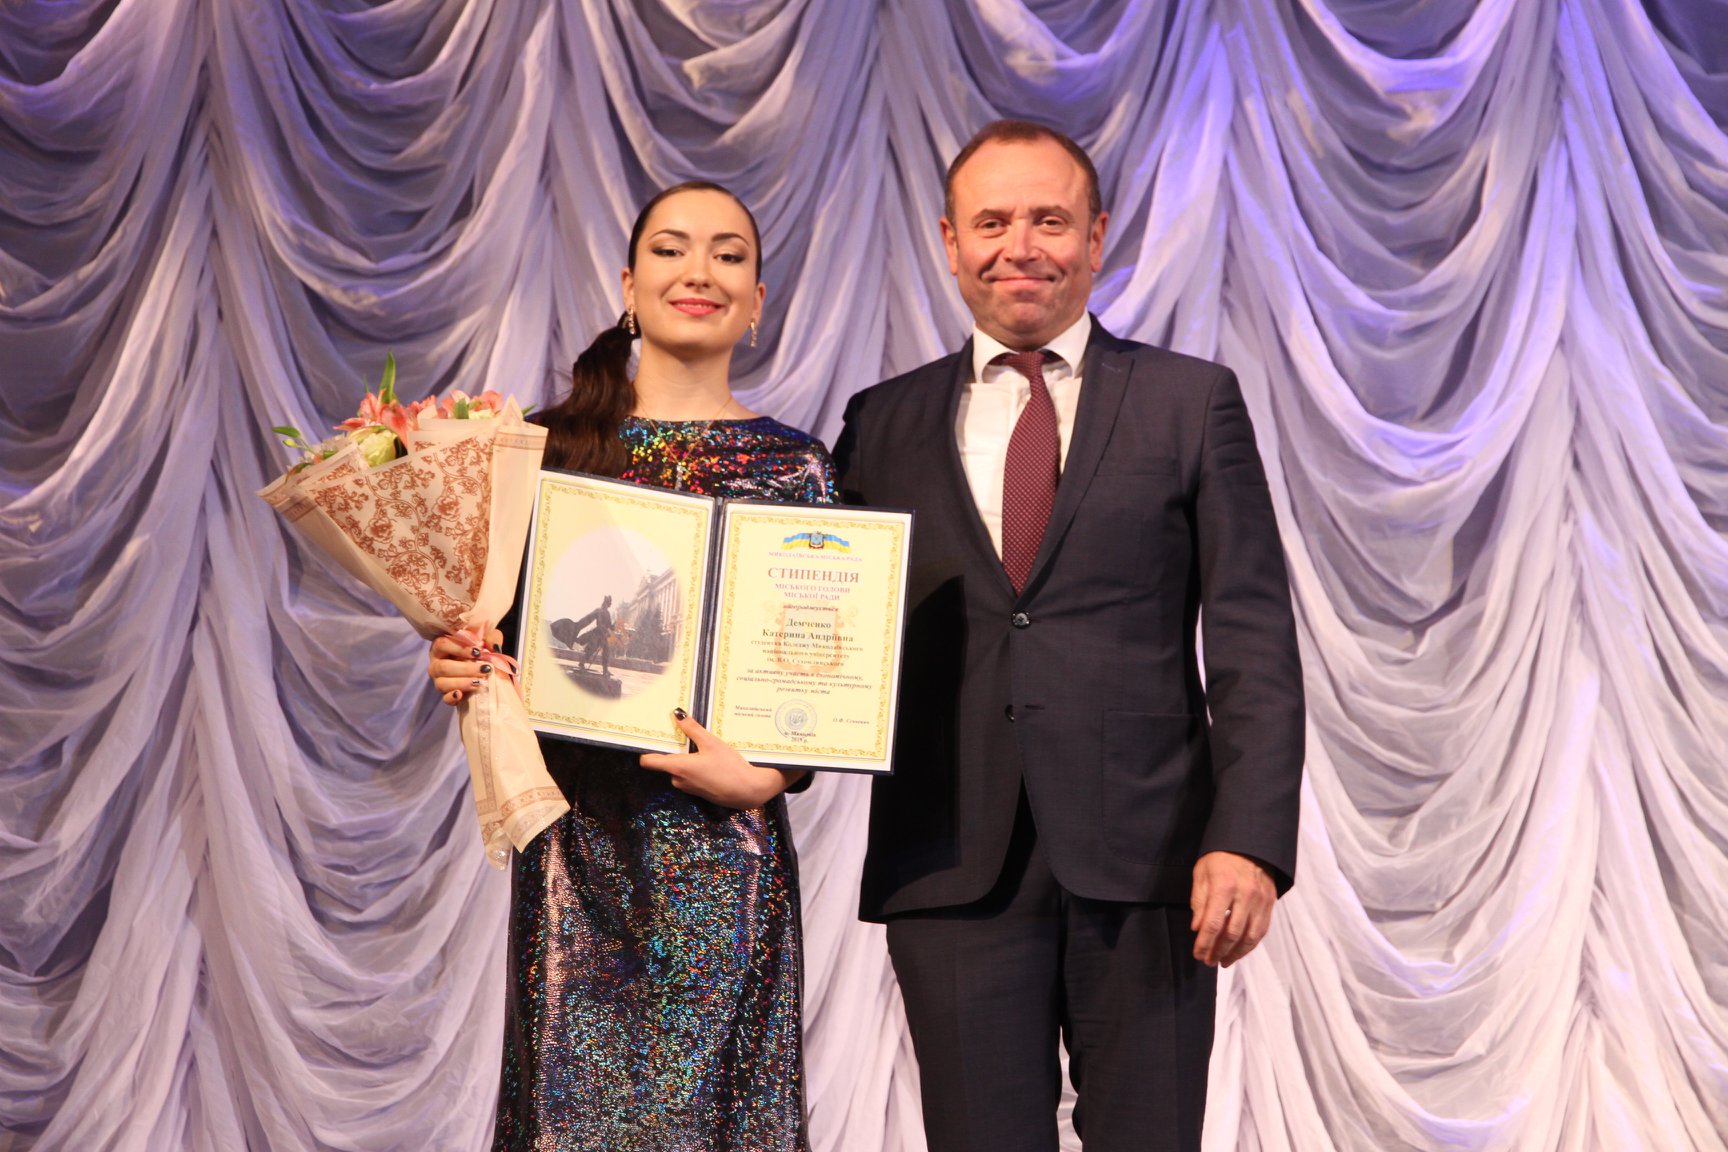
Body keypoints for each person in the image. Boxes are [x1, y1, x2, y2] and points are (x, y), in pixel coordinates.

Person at [833, 121, 1305, 1151]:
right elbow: (815, 620)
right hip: (948, 864)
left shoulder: (1190, 403)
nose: (1021, 246)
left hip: (1152, 865)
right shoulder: (879, 423)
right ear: (949, 242)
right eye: (992, 222)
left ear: (1095, 238)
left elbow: (1254, 642)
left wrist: (1248, 839)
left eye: (1049, 220)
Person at [428, 182, 833, 1152]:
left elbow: (816, 675)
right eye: (672, 248)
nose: (700, 272)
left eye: (729, 255)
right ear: (628, 283)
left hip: (726, 863)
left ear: (758, 299)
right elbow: (500, 652)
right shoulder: (543, 451)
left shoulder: (798, 467)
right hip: (580, 853)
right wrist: (460, 663)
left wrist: (770, 776)